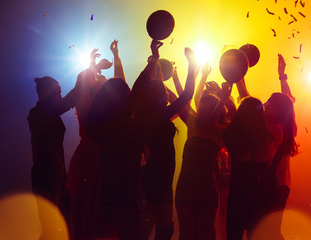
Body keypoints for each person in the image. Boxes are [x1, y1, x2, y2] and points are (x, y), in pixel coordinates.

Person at [85, 39, 163, 240]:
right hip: (125, 196)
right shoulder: (120, 121)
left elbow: (124, 84)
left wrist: (115, 56)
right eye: (126, 94)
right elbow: (138, 87)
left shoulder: (106, 122)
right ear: (121, 99)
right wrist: (153, 59)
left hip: (111, 195)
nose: (130, 94)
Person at [135, 48, 199, 240]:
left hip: (155, 172)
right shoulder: (161, 115)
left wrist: (155, 68)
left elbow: (180, 94)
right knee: (164, 228)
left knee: (150, 224)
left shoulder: (146, 116)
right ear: (160, 97)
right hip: (159, 175)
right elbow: (188, 94)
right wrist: (192, 64)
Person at [236, 53, 298, 239]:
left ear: (278, 110)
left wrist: (282, 76)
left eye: (270, 101)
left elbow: (287, 100)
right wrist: (238, 74)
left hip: (277, 185)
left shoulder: (279, 129)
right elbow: (246, 99)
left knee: (267, 230)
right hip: (271, 183)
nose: (265, 103)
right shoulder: (272, 125)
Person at [168, 68, 232, 239]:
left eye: (205, 111)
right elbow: (180, 100)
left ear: (215, 112)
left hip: (206, 188)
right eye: (200, 110)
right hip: (186, 186)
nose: (201, 114)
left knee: (206, 233)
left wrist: (225, 98)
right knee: (186, 234)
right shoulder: (193, 124)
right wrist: (168, 79)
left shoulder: (221, 131)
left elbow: (230, 117)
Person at [28, 70, 91, 239]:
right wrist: (86, 73)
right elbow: (69, 100)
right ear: (44, 93)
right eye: (57, 92)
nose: (60, 95)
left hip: (57, 177)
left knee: (65, 225)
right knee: (51, 229)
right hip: (46, 179)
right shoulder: (37, 114)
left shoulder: (47, 113)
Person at [67, 47, 113, 240]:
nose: (101, 82)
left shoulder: (106, 106)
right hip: (90, 156)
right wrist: (93, 66)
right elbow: (89, 89)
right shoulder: (88, 102)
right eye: (99, 81)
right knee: (86, 203)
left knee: (94, 205)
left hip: (98, 156)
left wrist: (93, 66)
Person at [223, 96, 274, 240]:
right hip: (260, 194)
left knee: (234, 234)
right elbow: (267, 162)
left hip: (238, 193)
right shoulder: (266, 138)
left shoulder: (234, 137)